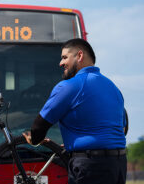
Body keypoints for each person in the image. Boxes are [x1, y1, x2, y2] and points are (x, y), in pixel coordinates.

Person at [23, 38, 126, 184]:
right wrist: (78, 141)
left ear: (79, 56)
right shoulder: (114, 88)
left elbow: (39, 126)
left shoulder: (69, 86)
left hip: (90, 166)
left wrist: (34, 138)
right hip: (118, 165)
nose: (61, 63)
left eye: (65, 57)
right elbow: (121, 128)